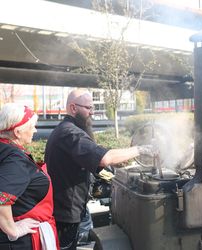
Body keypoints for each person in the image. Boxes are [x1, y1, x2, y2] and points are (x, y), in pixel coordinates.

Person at [45, 89, 154, 250]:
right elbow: (103, 158)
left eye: (93, 108)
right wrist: (141, 149)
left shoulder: (69, 130)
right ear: (73, 108)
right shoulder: (69, 133)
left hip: (76, 207)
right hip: (67, 213)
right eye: (88, 108)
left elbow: (95, 153)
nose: (92, 112)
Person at [0, 103, 59, 250]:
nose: (35, 130)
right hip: (22, 243)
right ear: (18, 132)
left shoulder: (4, 150)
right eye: (31, 126)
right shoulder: (14, 158)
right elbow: (1, 197)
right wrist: (13, 230)